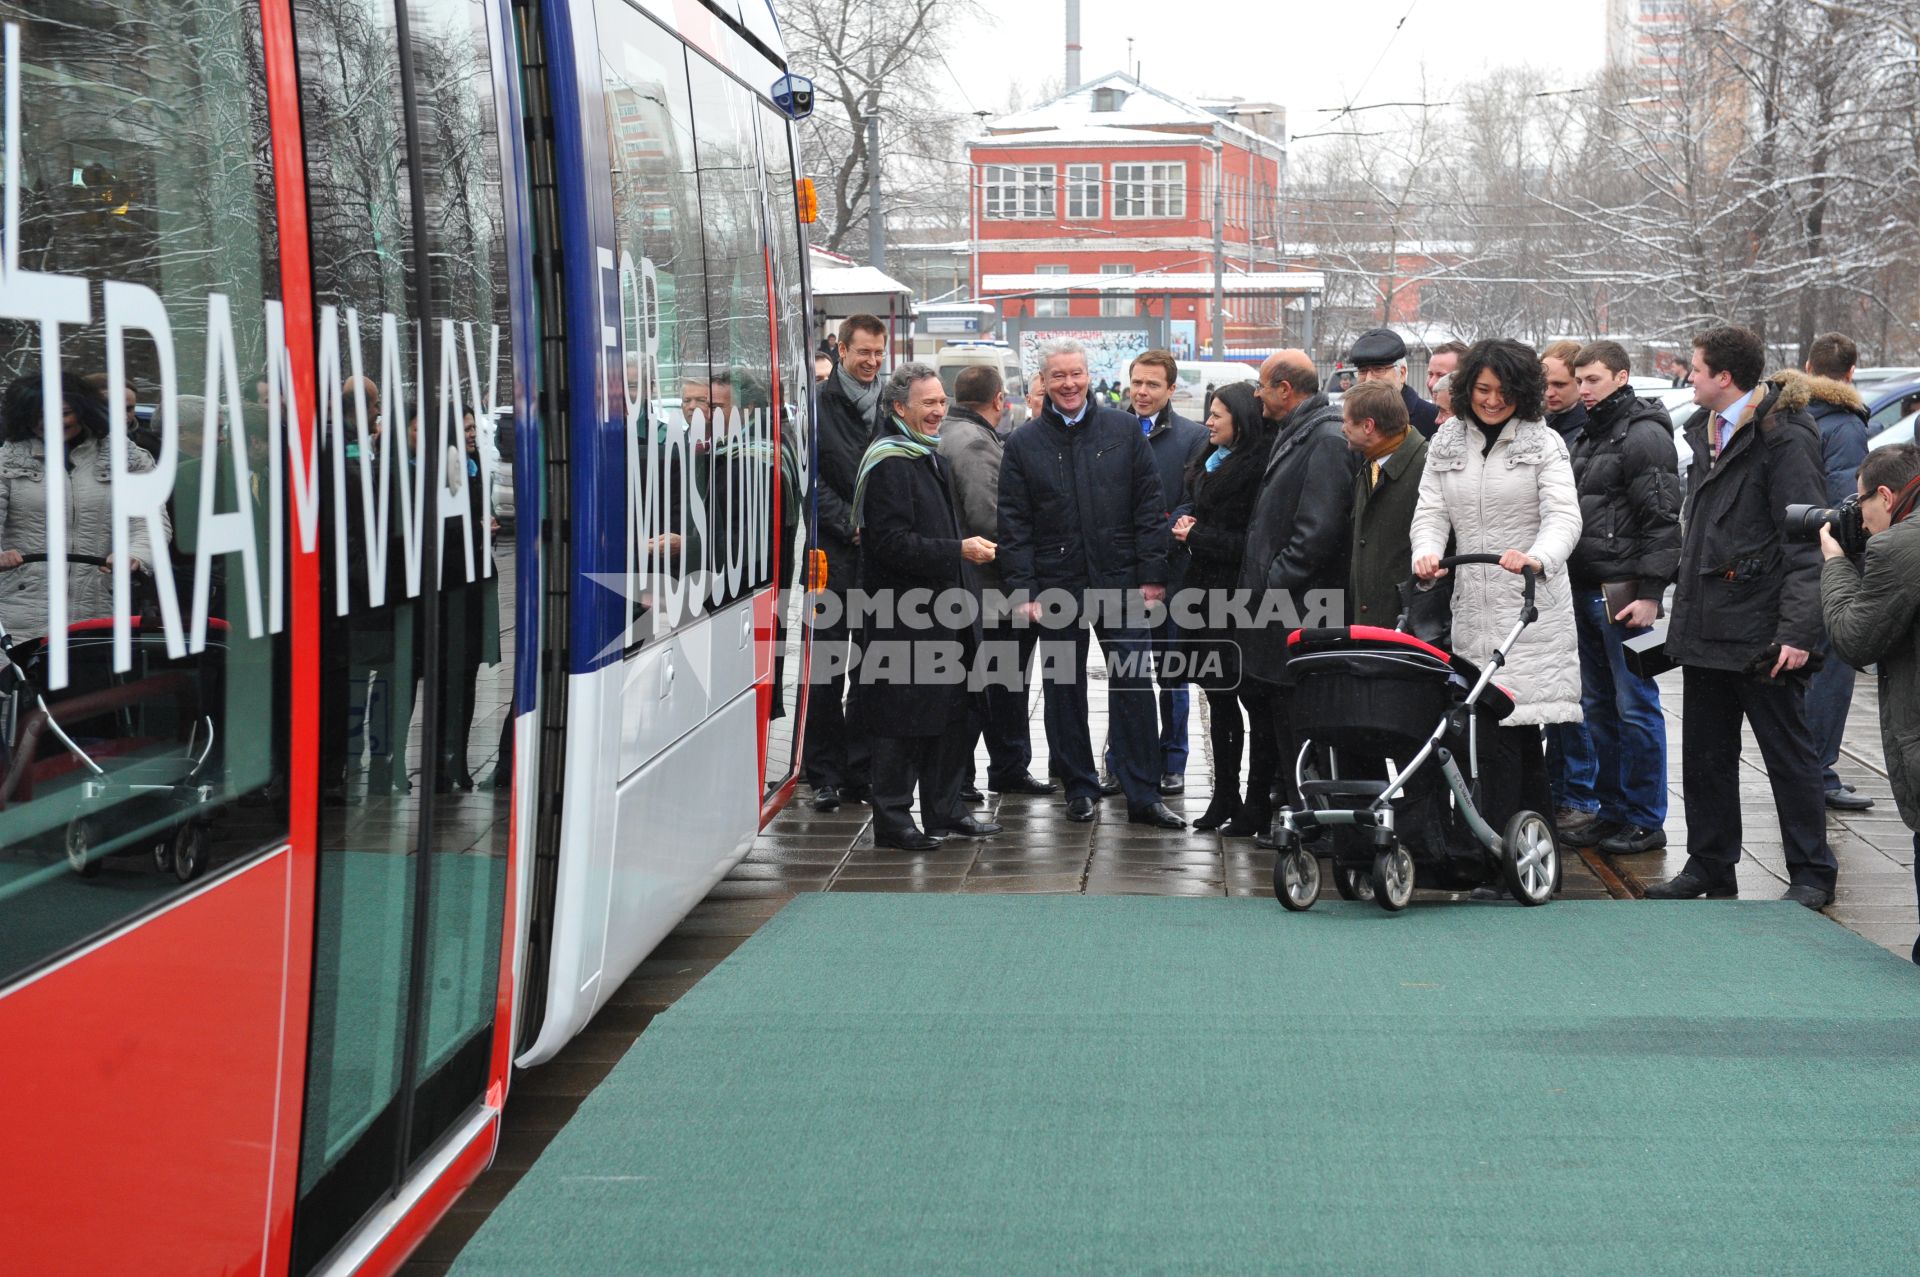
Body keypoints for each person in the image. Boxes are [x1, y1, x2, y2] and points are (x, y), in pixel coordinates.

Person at [1654, 325, 1838, 908]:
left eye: (1696, 367)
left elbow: (1806, 542)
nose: (1690, 375)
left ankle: (1811, 873)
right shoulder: (1708, 430)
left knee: (1789, 758)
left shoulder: (1785, 438)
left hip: (1764, 635)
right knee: (1705, 757)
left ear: (1724, 377)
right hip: (1708, 628)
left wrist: (1797, 632)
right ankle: (1710, 865)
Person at [1411, 339, 1583, 886]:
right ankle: (1492, 848)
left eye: (1503, 392)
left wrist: (1538, 557)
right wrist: (1426, 552)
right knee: (1480, 733)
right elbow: (1431, 511)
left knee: (1514, 735)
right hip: (1472, 607)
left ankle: (1515, 854)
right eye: (1482, 390)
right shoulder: (1447, 441)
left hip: (1529, 608)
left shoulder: (1543, 443)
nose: (1491, 401)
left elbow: (1564, 517)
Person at [998, 337, 1183, 829]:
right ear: (1044, 382)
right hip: (1056, 587)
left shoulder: (1123, 430)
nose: (1069, 384)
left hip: (1122, 583)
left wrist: (1152, 576)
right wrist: (1024, 590)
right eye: (1058, 376)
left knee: (1134, 686)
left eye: (1075, 373)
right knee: (1062, 689)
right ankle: (1078, 787)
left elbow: (1149, 506)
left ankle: (1143, 792)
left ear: (1089, 375)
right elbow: (1013, 524)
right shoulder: (1023, 444)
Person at [849, 363, 998, 851]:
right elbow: (891, 544)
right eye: (927, 404)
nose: (938, 412)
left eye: (941, 402)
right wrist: (958, 550)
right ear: (898, 408)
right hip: (903, 619)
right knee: (901, 723)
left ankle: (946, 810)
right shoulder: (890, 462)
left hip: (945, 615)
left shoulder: (927, 454)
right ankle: (893, 821)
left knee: (954, 715)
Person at [1565, 340, 1681, 855]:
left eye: (1593, 379)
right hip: (1587, 589)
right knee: (1598, 709)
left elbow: (1662, 522)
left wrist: (1653, 593)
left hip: (1629, 595)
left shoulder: (1644, 435)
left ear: (1620, 376)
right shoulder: (1592, 434)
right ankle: (1611, 810)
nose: (1584, 390)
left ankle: (1644, 818)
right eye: (1580, 380)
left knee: (1637, 708)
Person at [1240, 349, 1355, 834]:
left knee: (1301, 722)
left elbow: (1316, 531)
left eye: (1262, 385)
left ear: (1285, 389)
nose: (1256, 395)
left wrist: (1274, 583)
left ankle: (1313, 821)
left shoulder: (1325, 438)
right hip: (1280, 609)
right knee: (1281, 720)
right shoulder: (1301, 430)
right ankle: (1297, 813)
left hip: (1298, 610)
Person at [1818, 444, 1920, 961]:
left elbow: (1856, 640)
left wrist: (1836, 563)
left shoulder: (1899, 547)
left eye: (1861, 505)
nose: (1859, 517)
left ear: (1886, 494)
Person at [937, 363, 1055, 797]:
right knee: (1001, 685)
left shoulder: (949, 432)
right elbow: (991, 519)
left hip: (968, 587)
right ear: (1000, 401)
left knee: (980, 684)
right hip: (990, 589)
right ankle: (999, 769)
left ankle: (969, 775)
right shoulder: (975, 444)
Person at [1170, 382, 1274, 832]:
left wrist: (1196, 536)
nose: (1208, 422)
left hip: (1239, 601)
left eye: (1217, 415)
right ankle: (1223, 795)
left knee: (1254, 705)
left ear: (1241, 420)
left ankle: (1256, 801)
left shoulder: (1257, 468)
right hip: (1206, 598)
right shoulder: (1213, 459)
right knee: (1218, 702)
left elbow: (1251, 545)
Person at [0, 373, 163, 645]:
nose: (50, 422)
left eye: (63, 413)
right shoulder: (8, 461)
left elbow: (149, 523)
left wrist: (135, 555)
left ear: (84, 411)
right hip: (20, 612)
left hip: (99, 608)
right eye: (37, 415)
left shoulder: (126, 459)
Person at [1112, 349, 1206, 796]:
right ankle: (1123, 758)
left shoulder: (1192, 437)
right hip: (1120, 570)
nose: (1142, 392)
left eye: (1152, 384)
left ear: (1171, 390)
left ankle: (1173, 760)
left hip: (1172, 572)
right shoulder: (1111, 429)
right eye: (1137, 382)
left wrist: (1164, 537)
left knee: (1173, 671)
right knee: (1125, 672)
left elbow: (1191, 499)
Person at [806, 313, 888, 812]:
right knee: (826, 669)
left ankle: (862, 770)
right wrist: (850, 521)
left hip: (880, 559)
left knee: (872, 671)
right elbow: (805, 480)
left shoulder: (891, 405)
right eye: (864, 353)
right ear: (841, 350)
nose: (872, 362)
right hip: (832, 558)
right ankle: (825, 774)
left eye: (878, 353)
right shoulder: (815, 407)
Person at [1800, 332, 1874, 812]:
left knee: (1806, 669)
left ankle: (1803, 766)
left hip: (1792, 554)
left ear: (1807, 367)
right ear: (1851, 374)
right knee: (1832, 666)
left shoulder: (1792, 414)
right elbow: (1846, 507)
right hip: (1827, 559)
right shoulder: (1846, 427)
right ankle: (1818, 771)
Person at [1537, 339, 1602, 835]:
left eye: (1564, 384)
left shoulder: (1581, 433)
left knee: (1580, 698)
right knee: (1557, 695)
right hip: (1556, 576)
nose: (1554, 392)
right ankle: (1560, 789)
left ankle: (1579, 794)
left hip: (1582, 576)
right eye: (1550, 384)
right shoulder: (1549, 430)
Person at [1341, 380, 1429, 629]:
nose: (1342, 428)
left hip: (1406, 628)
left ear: (1368, 426)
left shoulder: (1426, 467)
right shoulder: (1371, 463)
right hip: (1372, 625)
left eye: (1346, 421)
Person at [1348, 328, 1439, 439]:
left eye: (1379, 369)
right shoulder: (1351, 420)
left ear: (1402, 373)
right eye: (1362, 371)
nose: (1368, 379)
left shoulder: (1433, 419)